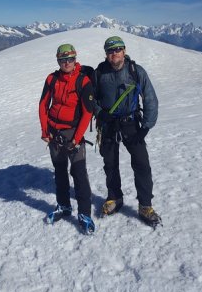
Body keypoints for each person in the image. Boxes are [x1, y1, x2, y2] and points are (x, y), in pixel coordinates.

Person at [93, 36, 161, 227]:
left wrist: (146, 126)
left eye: (117, 50)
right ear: (106, 54)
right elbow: (91, 99)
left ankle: (145, 205)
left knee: (141, 164)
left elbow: (150, 99)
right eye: (110, 51)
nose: (114, 54)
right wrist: (100, 113)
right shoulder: (99, 73)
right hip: (108, 125)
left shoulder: (135, 71)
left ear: (124, 51)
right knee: (110, 163)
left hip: (131, 123)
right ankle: (114, 197)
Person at [39, 43, 95, 234]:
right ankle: (64, 206)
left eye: (70, 59)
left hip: (73, 133)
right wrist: (45, 131)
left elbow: (88, 113)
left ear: (75, 59)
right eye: (63, 60)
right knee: (60, 171)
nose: (67, 63)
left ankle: (85, 213)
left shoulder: (83, 81)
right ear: (58, 61)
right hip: (55, 133)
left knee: (79, 173)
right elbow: (43, 105)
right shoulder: (52, 79)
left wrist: (76, 138)